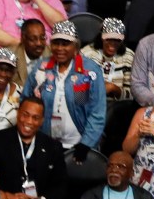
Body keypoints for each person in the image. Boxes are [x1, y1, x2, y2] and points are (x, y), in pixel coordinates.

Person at [19, 20, 106, 159]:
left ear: (75, 46)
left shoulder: (89, 71)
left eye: (65, 44)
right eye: (56, 43)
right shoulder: (41, 67)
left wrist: (86, 144)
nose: (59, 48)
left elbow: (97, 112)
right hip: (46, 143)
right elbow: (25, 100)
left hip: (79, 146)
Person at [0, 95, 70, 199]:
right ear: (18, 113)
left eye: (35, 118)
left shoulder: (53, 147)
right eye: (25, 115)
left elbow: (61, 186)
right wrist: (5, 198)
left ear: (42, 121)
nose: (29, 121)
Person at [82, 18, 134, 101]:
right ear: (101, 38)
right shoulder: (86, 54)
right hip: (90, 104)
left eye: (117, 40)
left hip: (118, 107)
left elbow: (132, 95)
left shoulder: (129, 56)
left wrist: (114, 88)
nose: (112, 43)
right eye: (108, 39)